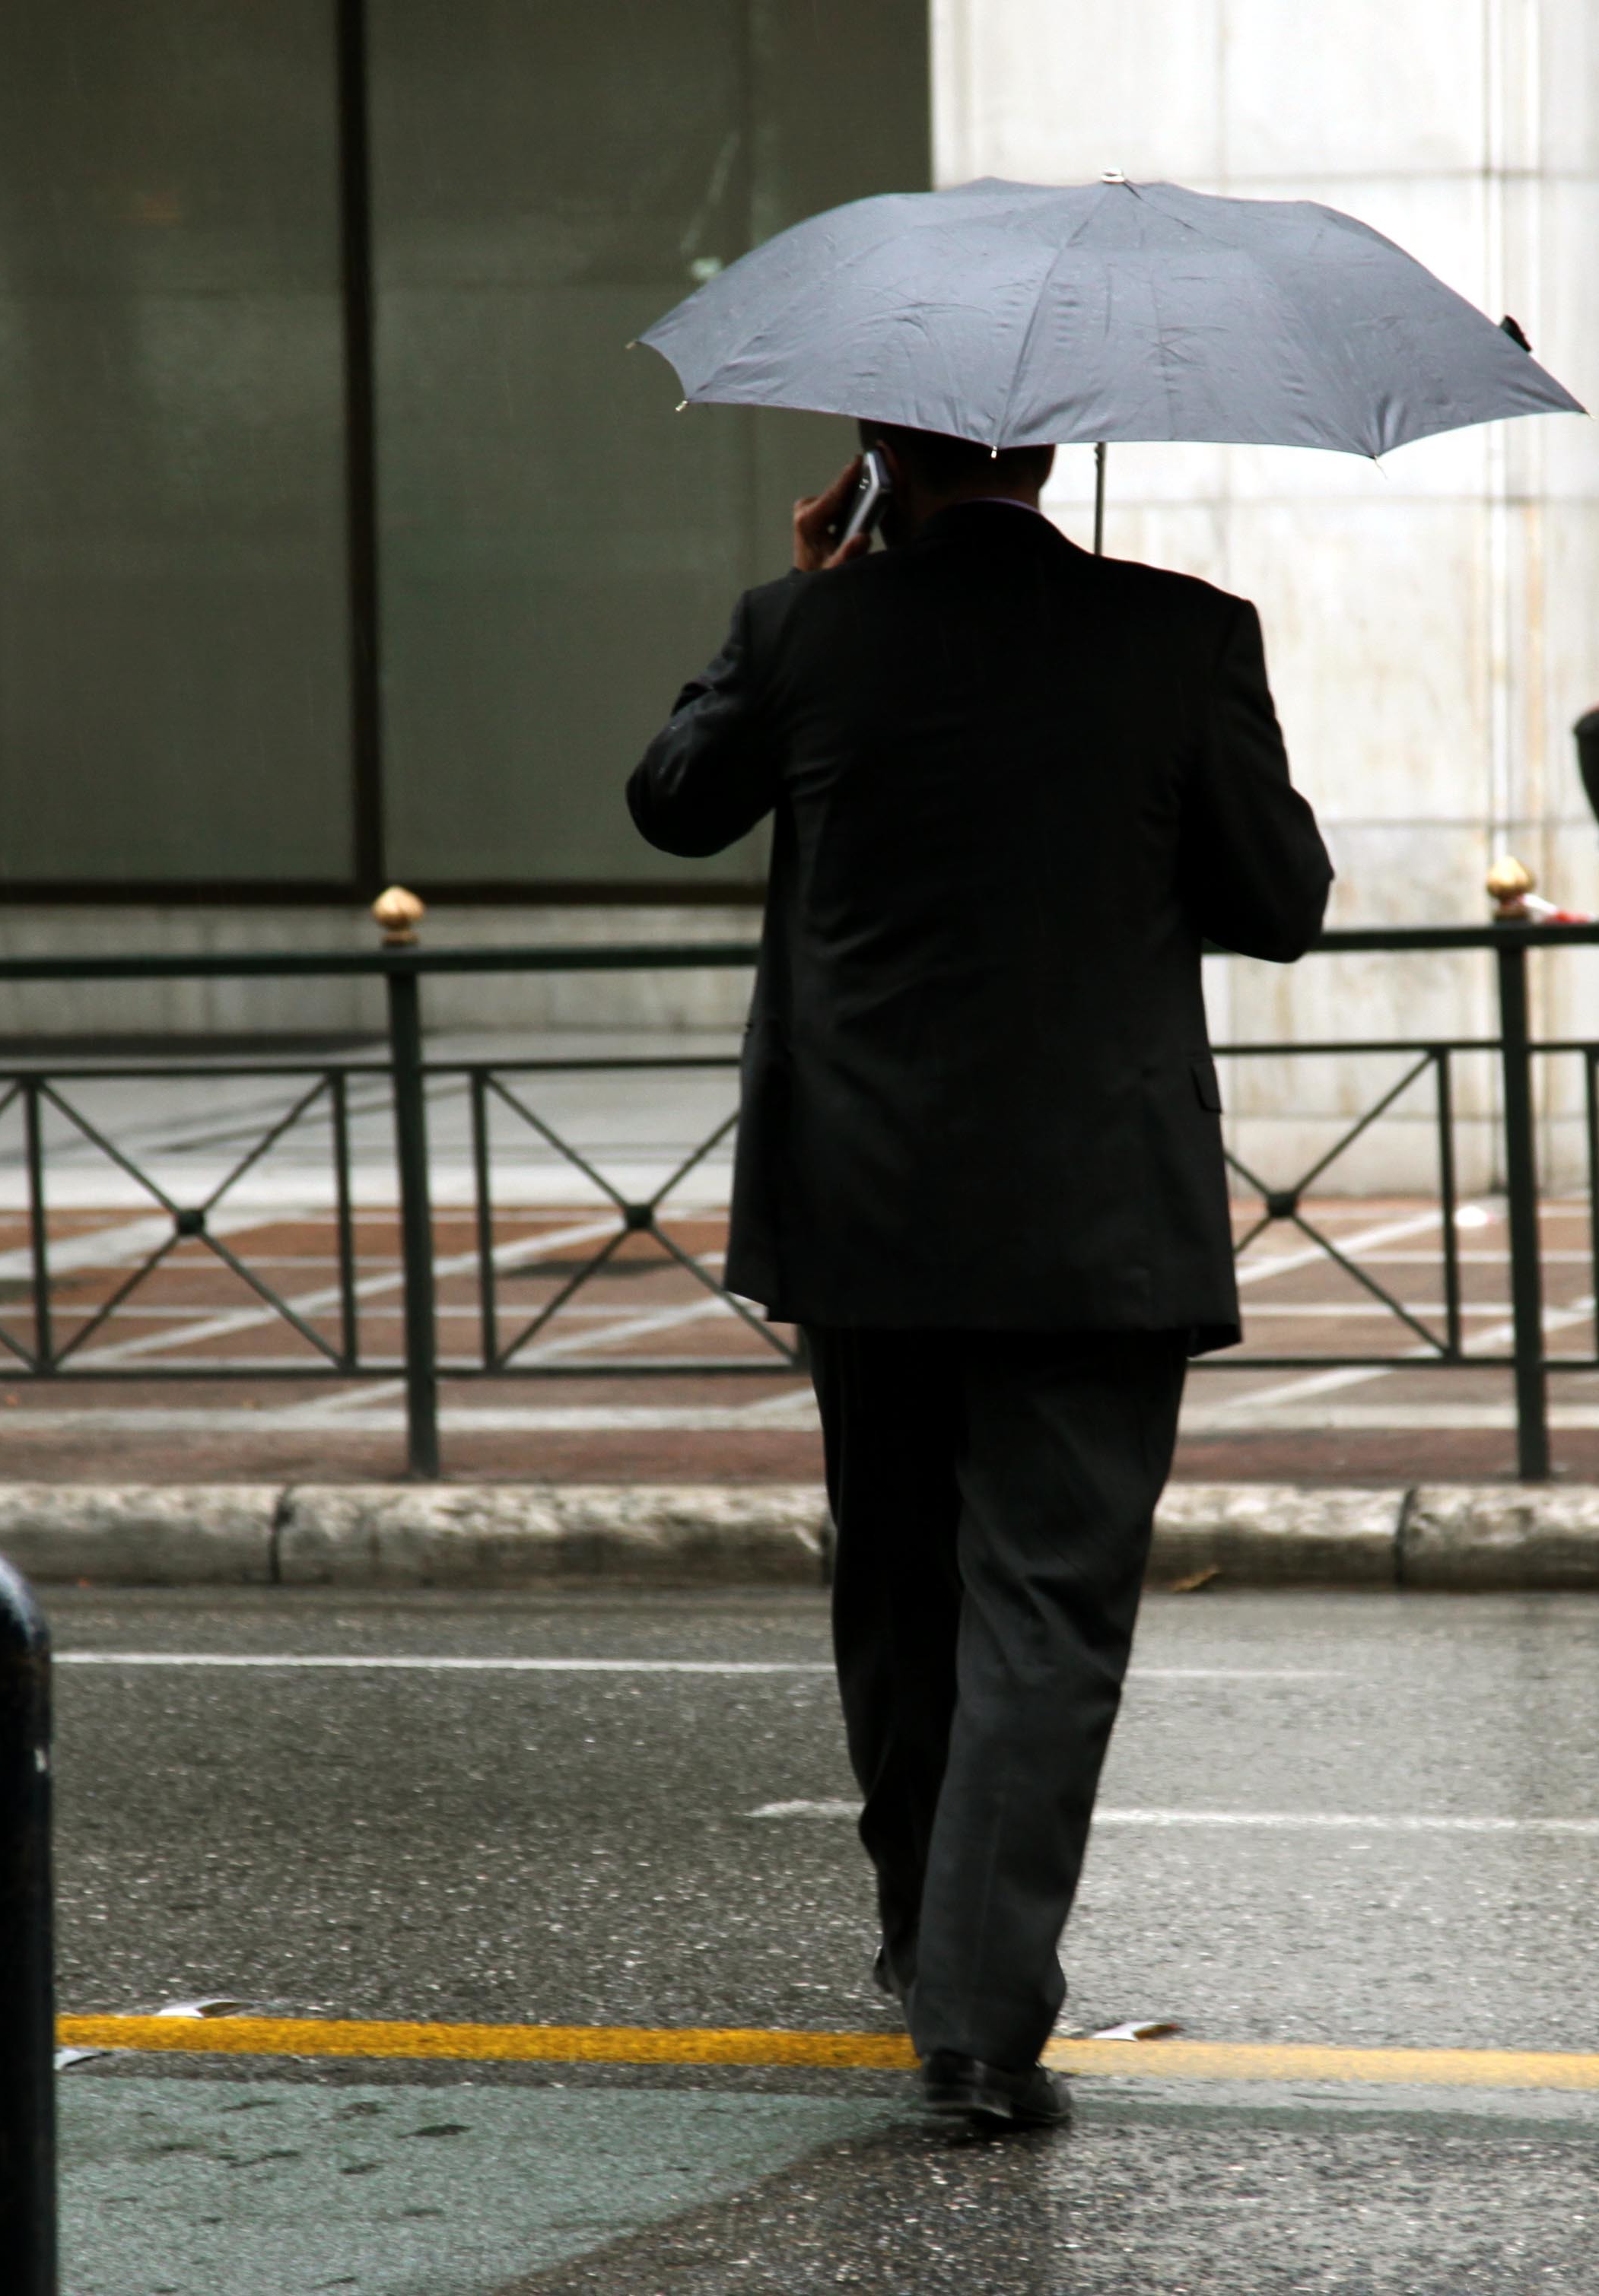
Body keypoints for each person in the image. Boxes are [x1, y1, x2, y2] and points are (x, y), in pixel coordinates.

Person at [627, 421, 1333, 2128]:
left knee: (897, 1590)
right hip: (1095, 1215)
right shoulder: (1183, 632)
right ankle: (976, 2015)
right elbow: (1283, 897)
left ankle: (919, 1948)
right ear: (1046, 449)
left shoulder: (804, 628)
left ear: (881, 456)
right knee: (1046, 1611)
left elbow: (671, 803)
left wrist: (803, 600)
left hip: (863, 1203)